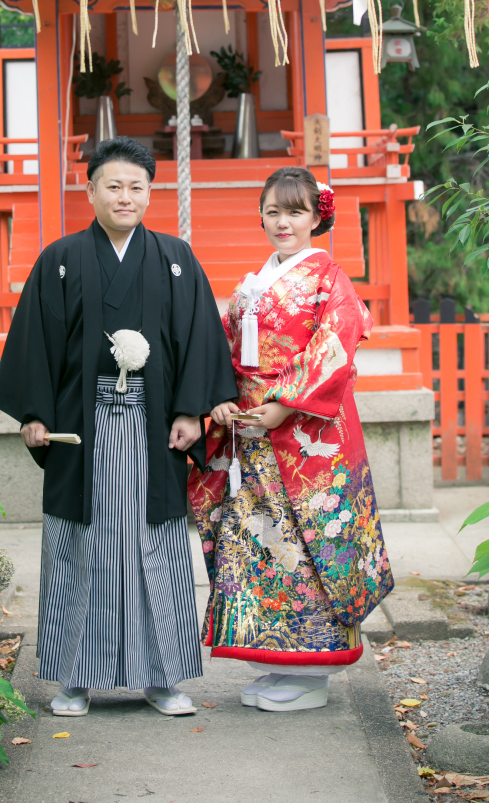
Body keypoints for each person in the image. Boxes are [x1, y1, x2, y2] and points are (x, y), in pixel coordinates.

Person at [0, 136, 237, 719]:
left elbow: (199, 339)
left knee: (157, 548)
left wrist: (188, 412)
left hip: (156, 429)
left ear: (150, 193)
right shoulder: (62, 259)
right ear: (91, 190)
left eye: (136, 186)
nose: (125, 196)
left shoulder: (176, 258)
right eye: (113, 185)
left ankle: (164, 679)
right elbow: (36, 343)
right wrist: (34, 413)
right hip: (82, 428)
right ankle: (75, 678)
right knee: (80, 549)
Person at [188, 166, 393, 713]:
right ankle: (275, 660)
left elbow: (338, 341)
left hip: (305, 435)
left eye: (295, 211)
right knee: (257, 543)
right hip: (253, 433)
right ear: (261, 214)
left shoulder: (329, 278)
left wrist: (283, 404)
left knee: (306, 548)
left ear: (316, 218)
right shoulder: (254, 282)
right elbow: (229, 351)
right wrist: (222, 397)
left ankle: (312, 674)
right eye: (274, 211)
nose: (283, 222)